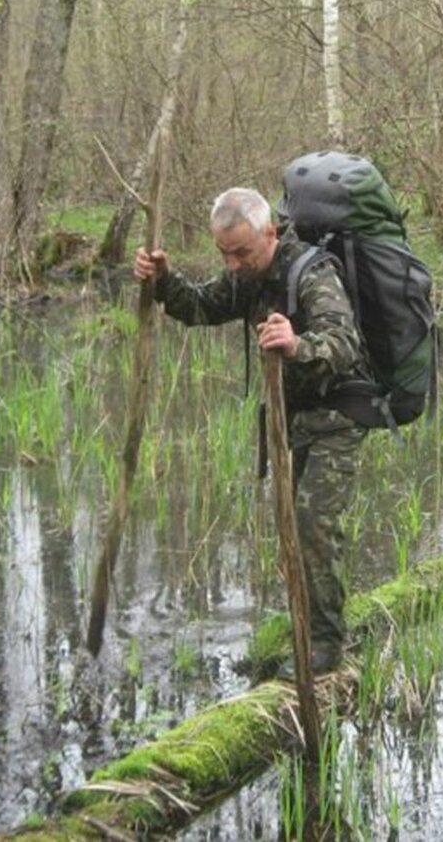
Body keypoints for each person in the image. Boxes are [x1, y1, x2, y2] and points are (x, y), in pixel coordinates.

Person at [133, 187, 370, 676]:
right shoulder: (246, 279)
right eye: (224, 254)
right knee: (291, 527)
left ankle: (326, 648)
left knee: (313, 526)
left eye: (241, 252)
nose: (234, 264)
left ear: (271, 233)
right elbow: (199, 308)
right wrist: (162, 281)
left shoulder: (313, 273)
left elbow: (343, 342)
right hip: (292, 417)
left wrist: (297, 344)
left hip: (338, 417)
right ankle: (304, 622)